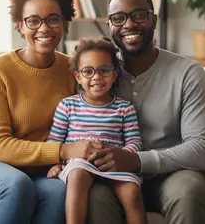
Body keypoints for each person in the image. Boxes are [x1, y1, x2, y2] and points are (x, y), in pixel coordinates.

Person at [0, 0, 106, 224]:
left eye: (52, 19)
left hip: (40, 171)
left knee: (60, 192)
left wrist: (66, 161)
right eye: (33, 21)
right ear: (20, 26)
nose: (44, 28)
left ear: (64, 22)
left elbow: (79, 124)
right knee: (17, 185)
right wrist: (63, 151)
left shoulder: (73, 69)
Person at [86, 0, 205, 224]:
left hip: (171, 175)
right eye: (118, 17)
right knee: (94, 196)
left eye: (139, 15)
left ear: (153, 20)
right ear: (109, 26)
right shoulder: (98, 73)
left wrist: (136, 160)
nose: (129, 24)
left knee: (189, 190)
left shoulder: (187, 73)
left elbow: (202, 149)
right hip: (113, 176)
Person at [47, 37, 147, 224]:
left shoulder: (124, 108)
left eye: (104, 70)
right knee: (77, 177)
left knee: (132, 193)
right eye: (88, 71)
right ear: (78, 76)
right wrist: (54, 163)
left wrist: (121, 154)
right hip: (80, 163)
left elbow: (135, 142)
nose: (97, 77)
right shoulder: (68, 105)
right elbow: (54, 140)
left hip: (114, 165)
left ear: (115, 74)